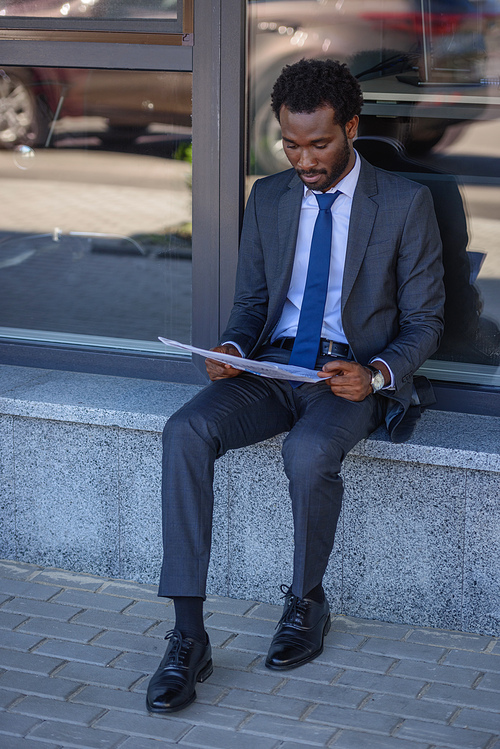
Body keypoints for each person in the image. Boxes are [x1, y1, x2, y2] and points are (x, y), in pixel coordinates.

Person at [146, 58, 445, 714]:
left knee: (307, 453)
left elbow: (427, 321)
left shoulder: (403, 203)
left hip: (345, 379)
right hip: (274, 366)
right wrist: (231, 347)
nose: (303, 160)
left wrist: (378, 373)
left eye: (319, 144)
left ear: (351, 129)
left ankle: (306, 601)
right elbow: (253, 302)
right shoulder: (272, 197)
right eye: (290, 144)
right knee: (185, 430)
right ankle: (188, 635)